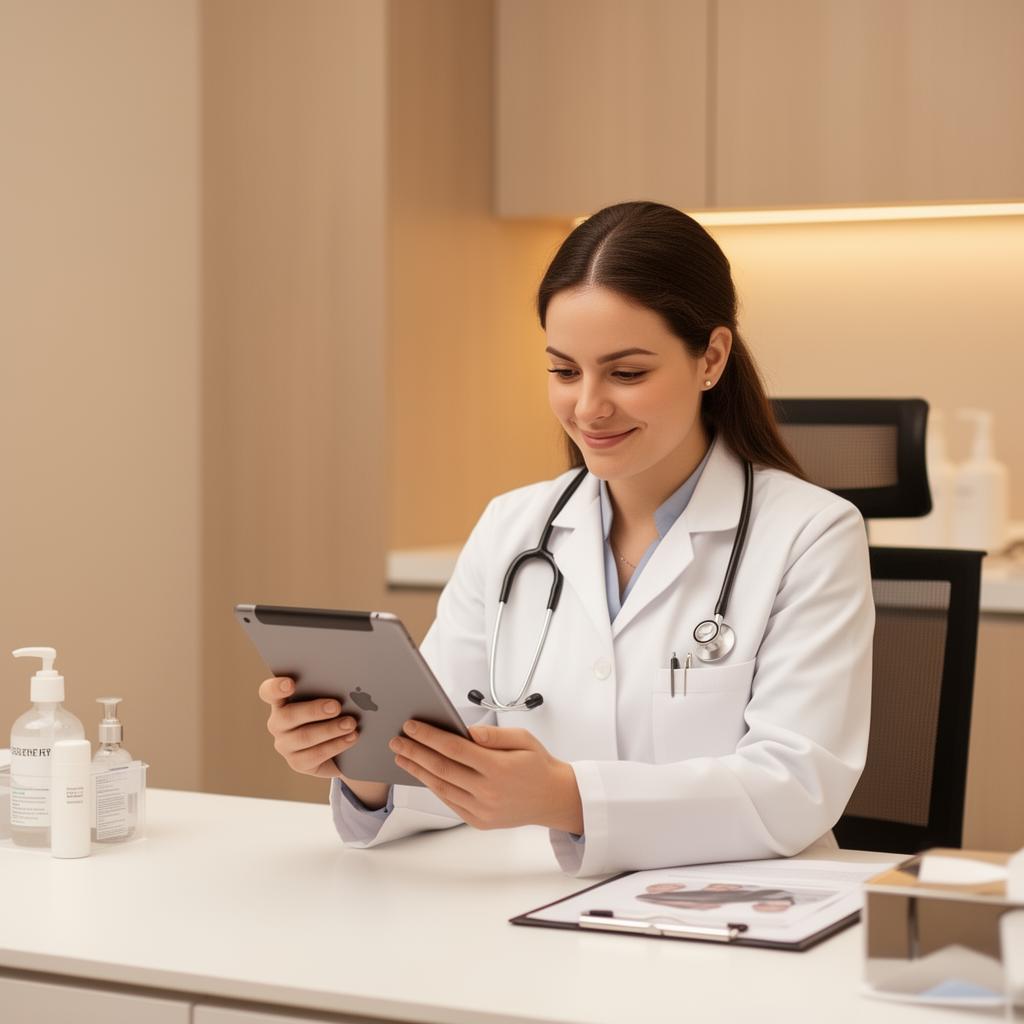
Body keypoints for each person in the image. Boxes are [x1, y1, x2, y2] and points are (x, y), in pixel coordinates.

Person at [259, 201, 874, 878]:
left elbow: (795, 788)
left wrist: (566, 798)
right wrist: (361, 763)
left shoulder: (812, 535)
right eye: (564, 371)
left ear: (712, 357)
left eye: (627, 373)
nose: (588, 407)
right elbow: (442, 751)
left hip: (734, 914)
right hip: (536, 916)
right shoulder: (512, 528)